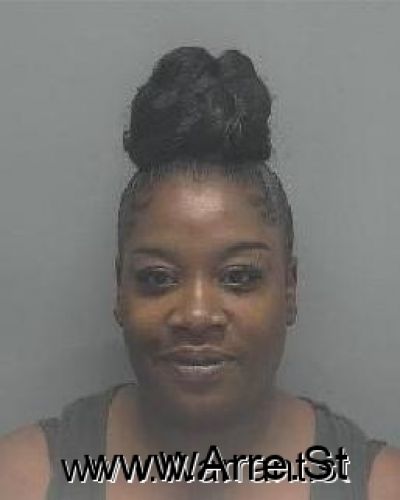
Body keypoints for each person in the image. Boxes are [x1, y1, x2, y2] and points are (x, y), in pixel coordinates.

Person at [0, 46, 399, 500]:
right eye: (158, 278)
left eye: (238, 277)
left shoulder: (381, 487)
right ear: (119, 291)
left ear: (289, 289)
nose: (196, 315)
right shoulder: (20, 481)